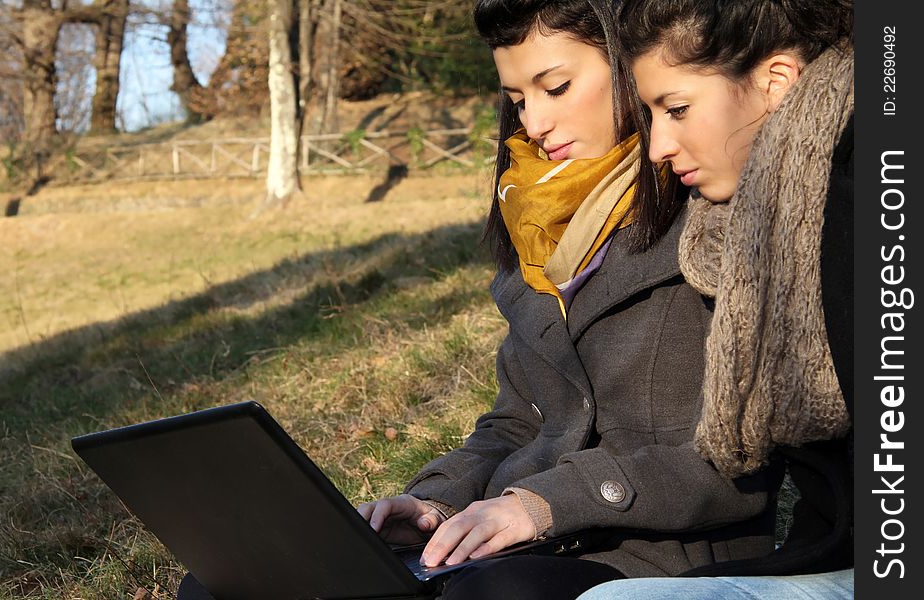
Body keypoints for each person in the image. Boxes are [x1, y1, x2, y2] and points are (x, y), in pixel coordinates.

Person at [356, 1, 786, 599]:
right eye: (519, 99)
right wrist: (436, 500)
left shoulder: (714, 212)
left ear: (628, 63)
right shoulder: (536, 223)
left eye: (556, 87)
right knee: (250, 579)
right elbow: (516, 421)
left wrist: (544, 504)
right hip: (516, 544)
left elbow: (737, 461)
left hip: (656, 564)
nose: (534, 124)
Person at [578, 0, 855, 598]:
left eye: (676, 109)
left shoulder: (866, 193)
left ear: (776, 80)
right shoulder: (739, 229)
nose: (657, 147)